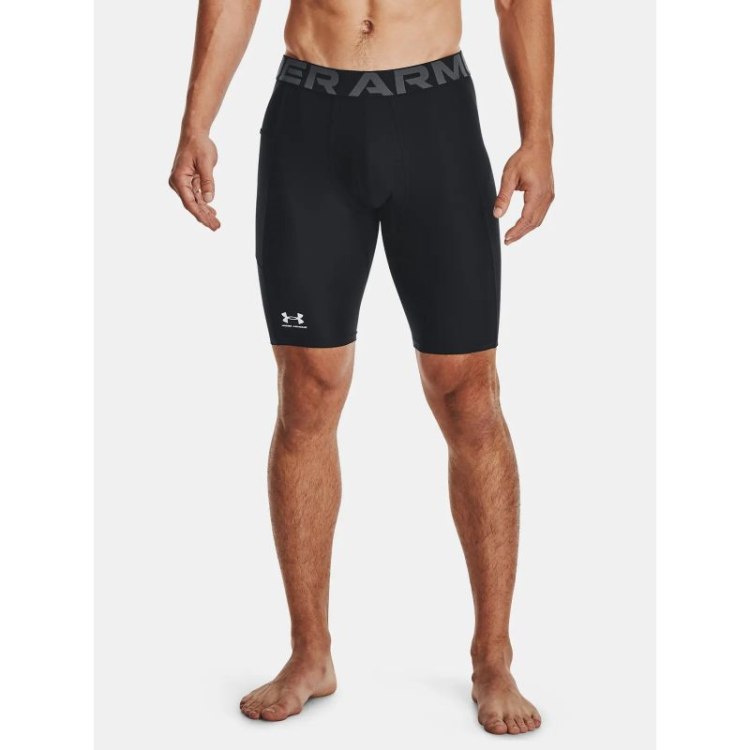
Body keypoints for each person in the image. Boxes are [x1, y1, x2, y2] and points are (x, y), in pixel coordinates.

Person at [169, 0, 554, 736]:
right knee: (307, 392)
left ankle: (493, 658)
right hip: (310, 119)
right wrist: (197, 121)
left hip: (435, 118)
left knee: (468, 395)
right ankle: (310, 653)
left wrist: (537, 137)